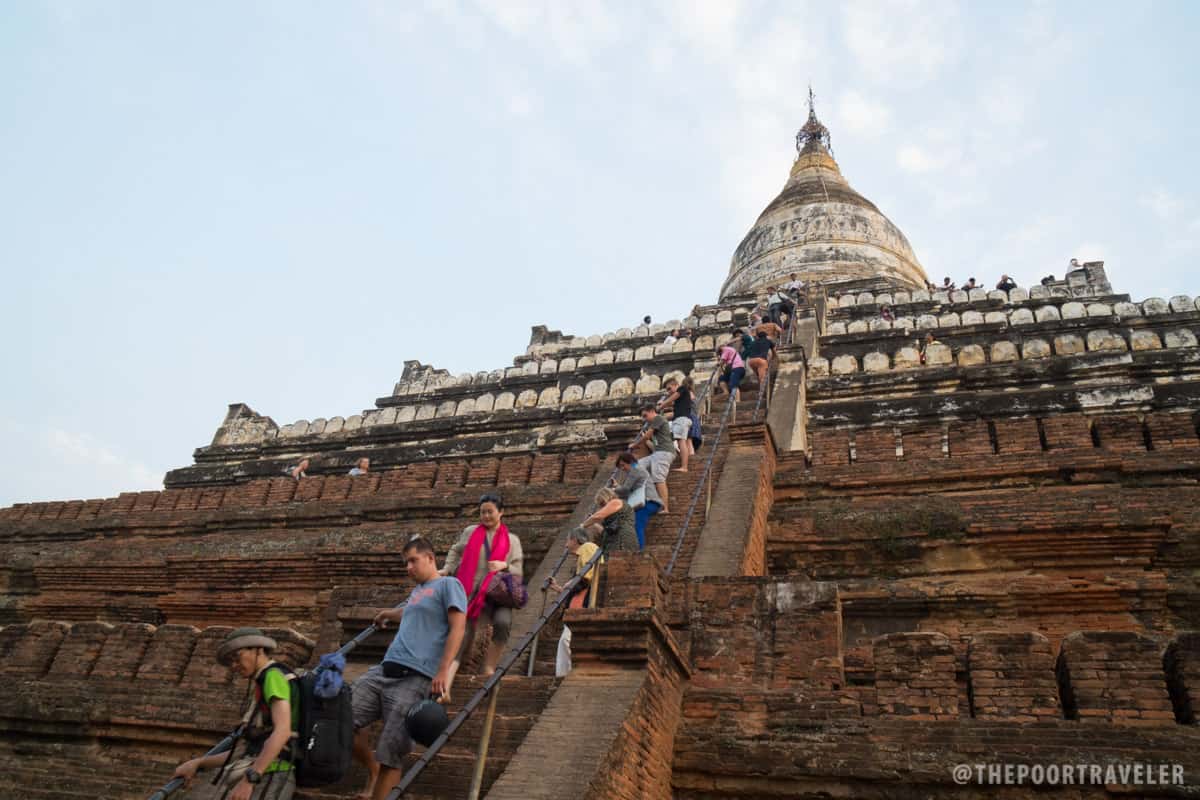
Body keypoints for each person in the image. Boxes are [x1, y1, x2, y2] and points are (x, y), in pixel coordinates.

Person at [352, 536, 466, 800]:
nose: (408, 567)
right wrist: (388, 613)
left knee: (391, 750)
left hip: (416, 678)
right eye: (406, 563)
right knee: (341, 719)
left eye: (413, 561)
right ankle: (372, 768)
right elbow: (411, 611)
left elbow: (458, 627)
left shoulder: (449, 584)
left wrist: (443, 671)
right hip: (383, 671)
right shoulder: (417, 592)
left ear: (430, 558)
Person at [171, 628, 298, 800]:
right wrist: (199, 762)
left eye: (237, 657)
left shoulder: (272, 676)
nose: (233, 666)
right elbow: (246, 751)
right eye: (230, 661)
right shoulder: (265, 681)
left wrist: (249, 780)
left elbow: (282, 731)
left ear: (258, 649)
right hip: (264, 771)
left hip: (269, 777)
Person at [439, 494, 522, 682]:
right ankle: (449, 677)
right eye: (482, 512)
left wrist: (504, 565)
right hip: (472, 591)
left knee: (503, 623)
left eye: (490, 512)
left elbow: (518, 570)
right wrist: (447, 568)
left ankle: (490, 667)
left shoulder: (512, 540)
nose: (485, 516)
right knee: (465, 630)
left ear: (501, 512)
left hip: (498, 593)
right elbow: (455, 550)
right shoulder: (470, 532)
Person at [548, 528, 601, 677]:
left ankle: (568, 674)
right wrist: (559, 588)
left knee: (567, 640)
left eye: (567, 540)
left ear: (575, 540)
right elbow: (578, 585)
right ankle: (563, 675)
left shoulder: (588, 547)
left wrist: (569, 583)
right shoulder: (581, 558)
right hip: (577, 603)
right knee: (564, 642)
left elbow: (589, 576)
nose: (565, 545)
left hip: (584, 604)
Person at [629, 405, 674, 514]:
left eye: (645, 415)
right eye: (643, 417)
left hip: (664, 452)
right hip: (657, 453)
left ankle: (665, 508)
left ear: (652, 411)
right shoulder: (650, 423)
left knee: (659, 479)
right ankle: (647, 494)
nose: (645, 419)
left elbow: (647, 436)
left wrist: (635, 445)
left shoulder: (658, 418)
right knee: (638, 465)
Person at [611, 452, 661, 549]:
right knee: (634, 523)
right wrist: (618, 487)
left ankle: (639, 550)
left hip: (648, 502)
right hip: (648, 502)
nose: (622, 468)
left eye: (623, 465)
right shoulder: (637, 469)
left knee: (637, 524)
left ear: (629, 461)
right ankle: (635, 548)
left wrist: (613, 490)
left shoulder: (635, 470)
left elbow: (625, 490)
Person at [580, 488, 639, 553]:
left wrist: (583, 525)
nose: (602, 507)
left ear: (606, 497)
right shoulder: (613, 514)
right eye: (600, 505)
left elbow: (598, 516)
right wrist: (594, 524)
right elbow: (606, 532)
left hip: (622, 538)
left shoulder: (616, 502)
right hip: (614, 540)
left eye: (602, 503)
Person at [658, 377, 695, 472]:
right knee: (681, 442)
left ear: (675, 385)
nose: (668, 391)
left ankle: (684, 467)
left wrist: (662, 405)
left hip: (681, 420)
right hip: (682, 420)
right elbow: (674, 403)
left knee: (681, 442)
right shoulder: (682, 396)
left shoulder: (682, 388)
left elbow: (672, 398)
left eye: (669, 388)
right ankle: (685, 465)